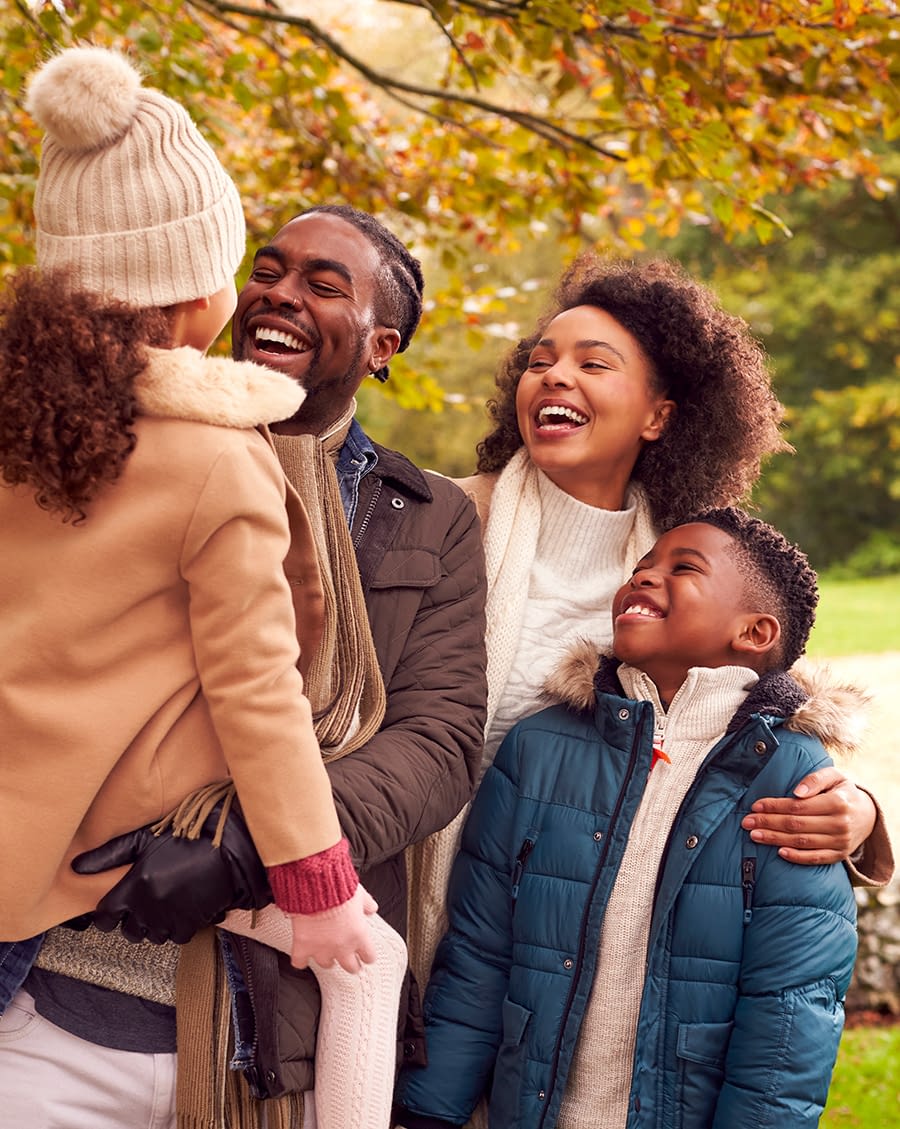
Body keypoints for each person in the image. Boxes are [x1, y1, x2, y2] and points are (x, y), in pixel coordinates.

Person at [0, 48, 407, 1129]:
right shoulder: (219, 456)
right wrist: (315, 883)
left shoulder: (16, 431)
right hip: (82, 869)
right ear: (198, 288)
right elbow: (257, 689)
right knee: (371, 962)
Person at [55, 203, 489, 1121]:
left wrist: (247, 850)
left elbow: (439, 742)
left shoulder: (431, 519)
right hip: (51, 989)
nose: (281, 295)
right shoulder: (113, 445)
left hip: (263, 1021)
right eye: (268, 269)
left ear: (382, 345)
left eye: (323, 285)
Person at [404, 254, 892, 994]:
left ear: (660, 414)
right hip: (390, 910)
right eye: (541, 361)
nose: (555, 375)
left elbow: (761, 719)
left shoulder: (680, 572)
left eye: (592, 364)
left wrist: (858, 809)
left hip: (554, 965)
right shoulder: (440, 518)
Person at [394, 507, 859, 1129]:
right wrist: (429, 1111)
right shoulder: (538, 747)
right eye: (641, 567)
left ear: (754, 632)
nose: (644, 578)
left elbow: (790, 1009)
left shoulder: (793, 778)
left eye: (682, 568)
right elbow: (479, 950)